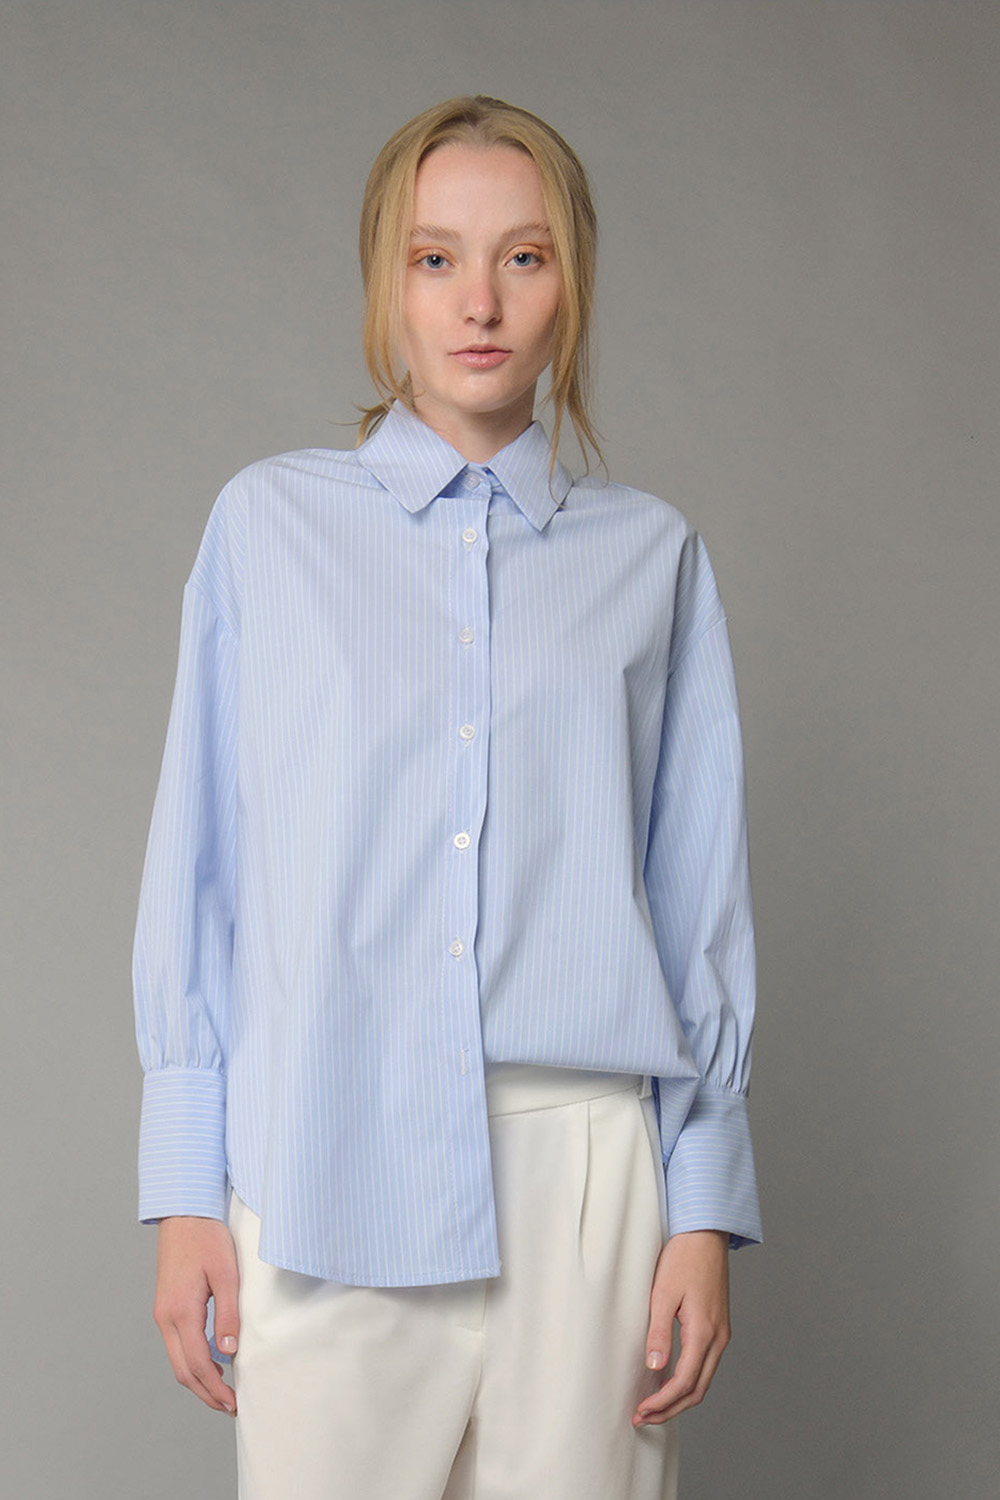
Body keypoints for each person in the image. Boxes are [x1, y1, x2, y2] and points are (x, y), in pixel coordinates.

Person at [133, 94, 762, 1500]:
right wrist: (184, 1189)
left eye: (523, 258)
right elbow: (203, 866)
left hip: (588, 1182)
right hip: (325, 1157)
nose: (480, 301)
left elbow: (696, 899)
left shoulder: (652, 559)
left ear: (571, 284)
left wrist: (703, 1206)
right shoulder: (266, 529)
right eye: (435, 258)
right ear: (386, 282)